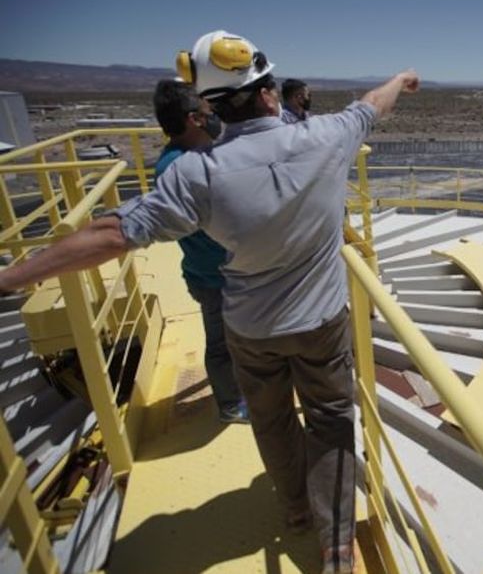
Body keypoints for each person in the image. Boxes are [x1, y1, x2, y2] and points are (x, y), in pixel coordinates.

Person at [0, 30, 419, 574]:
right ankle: (336, 544)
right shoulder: (328, 137)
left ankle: (294, 510)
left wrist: (12, 277)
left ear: (211, 107)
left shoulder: (195, 174)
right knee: (332, 421)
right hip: (320, 321)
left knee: (270, 421)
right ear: (269, 93)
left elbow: (110, 235)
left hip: (250, 328)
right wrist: (400, 80)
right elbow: (371, 106)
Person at [151, 79, 248, 424]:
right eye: (208, 112)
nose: (213, 117)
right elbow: (213, 228)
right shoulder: (176, 169)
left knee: (236, 339)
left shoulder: (193, 156)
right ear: (193, 119)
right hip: (215, 277)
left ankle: (238, 391)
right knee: (222, 344)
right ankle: (230, 405)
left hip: (222, 272)